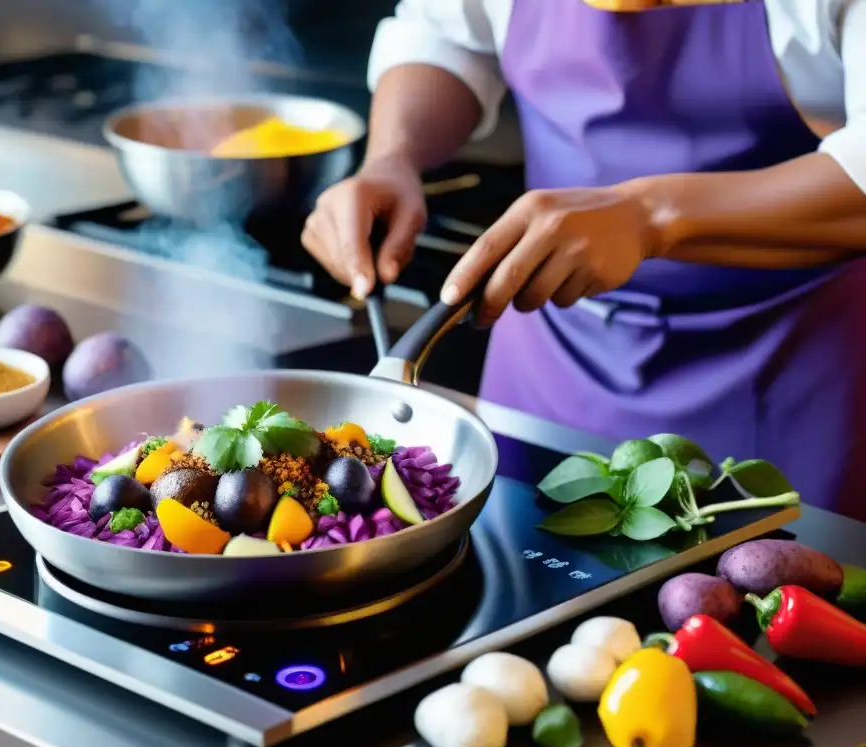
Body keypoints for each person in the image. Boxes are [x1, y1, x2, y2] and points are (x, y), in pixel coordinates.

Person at [301, 0, 866, 519]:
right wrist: (392, 157)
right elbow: (450, 35)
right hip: (549, 362)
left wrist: (650, 217)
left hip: (792, 371)